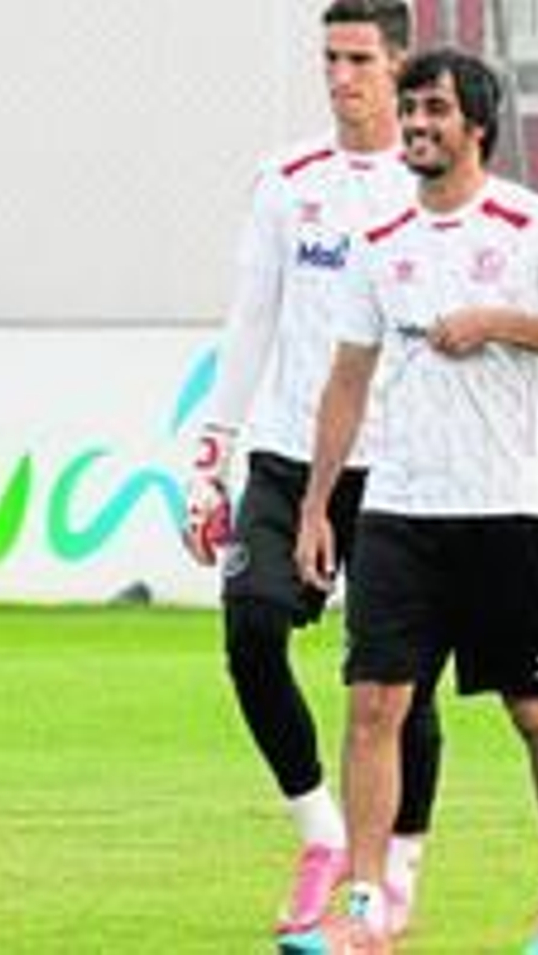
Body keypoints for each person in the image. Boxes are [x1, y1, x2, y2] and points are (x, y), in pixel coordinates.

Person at [295, 47, 538, 955]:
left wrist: (500, 322)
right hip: (401, 512)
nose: (414, 125)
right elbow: (346, 379)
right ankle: (365, 909)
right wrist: (317, 504)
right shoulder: (379, 244)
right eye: (409, 111)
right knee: (374, 705)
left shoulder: (534, 227)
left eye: (433, 111)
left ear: (475, 125)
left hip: (507, 511)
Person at [179, 2, 443, 947]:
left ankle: (397, 878)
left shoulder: (432, 187)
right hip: (290, 458)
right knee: (251, 629)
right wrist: (211, 459)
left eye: (359, 58)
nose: (340, 77)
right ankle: (321, 833)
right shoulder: (287, 182)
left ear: (399, 63)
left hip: (400, 470)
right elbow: (250, 320)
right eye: (329, 57)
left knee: (394, 683)